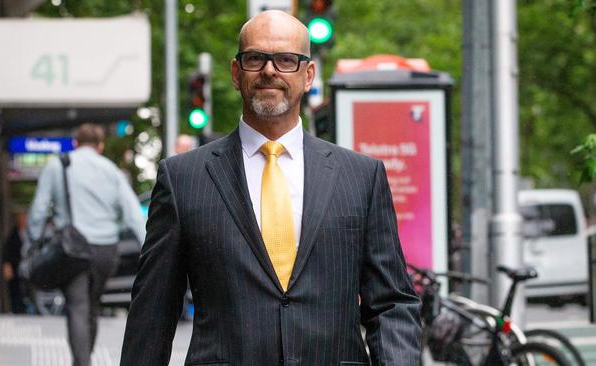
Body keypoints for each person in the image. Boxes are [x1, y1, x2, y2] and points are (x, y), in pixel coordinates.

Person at [120, 10, 421, 366]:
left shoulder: (361, 176)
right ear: (236, 73)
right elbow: (153, 310)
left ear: (308, 74)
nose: (269, 70)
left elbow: (391, 303)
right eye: (255, 58)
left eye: (286, 60)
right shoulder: (183, 178)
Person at [27, 123, 145, 366]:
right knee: (91, 305)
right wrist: (149, 247)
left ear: (75, 143)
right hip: (106, 251)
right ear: (100, 146)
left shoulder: (58, 165)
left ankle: (82, 362)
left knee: (77, 306)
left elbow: (38, 210)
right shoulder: (111, 171)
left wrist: (32, 242)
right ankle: (85, 359)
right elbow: (133, 213)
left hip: (73, 249)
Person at [2, 211, 29, 313]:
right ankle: (17, 310)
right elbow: (7, 252)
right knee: (15, 289)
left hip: (27, 266)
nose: (24, 220)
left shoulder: (29, 233)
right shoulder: (13, 235)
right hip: (15, 266)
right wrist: (7, 266)